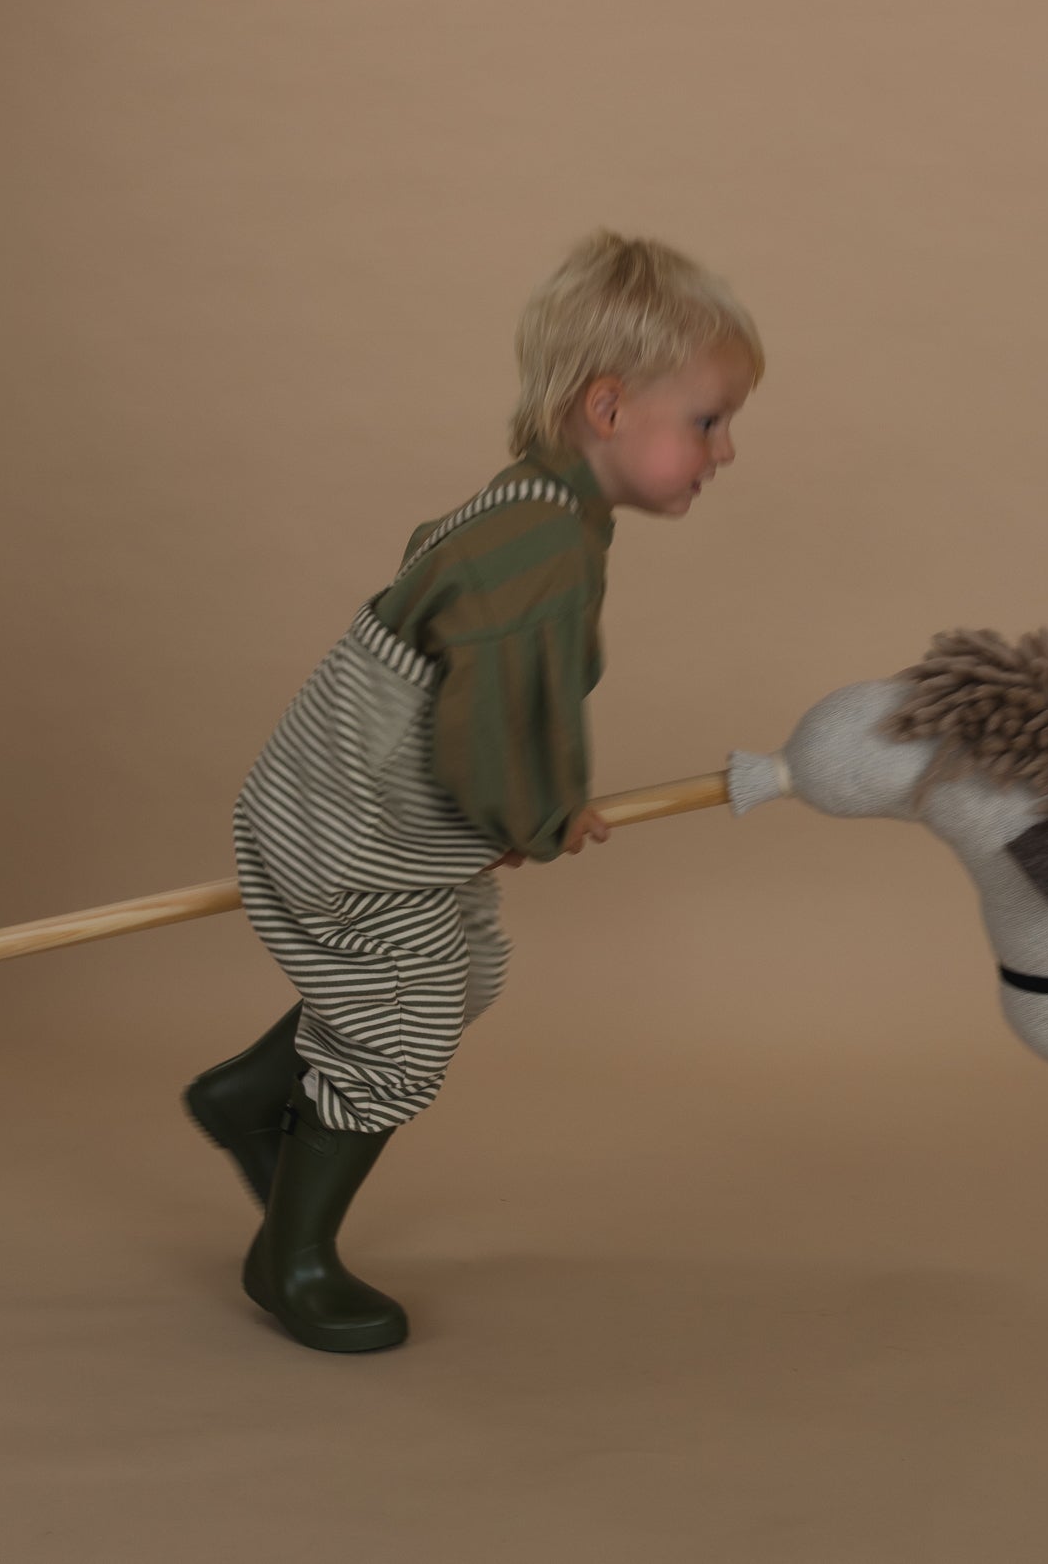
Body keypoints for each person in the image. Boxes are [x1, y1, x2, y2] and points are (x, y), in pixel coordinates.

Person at [184, 229, 764, 1351]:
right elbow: (490, 716)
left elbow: (442, 630)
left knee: (462, 972)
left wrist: (481, 815)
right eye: (707, 420)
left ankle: (251, 1097)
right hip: (346, 833)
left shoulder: (531, 508)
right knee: (400, 1032)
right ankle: (288, 1258)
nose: (726, 449)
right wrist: (534, 814)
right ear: (606, 409)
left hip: (366, 805)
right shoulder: (540, 548)